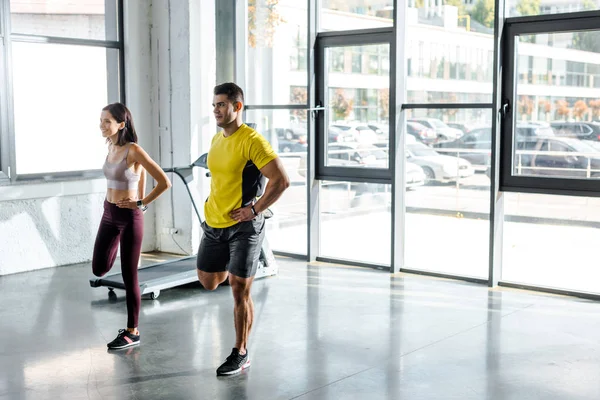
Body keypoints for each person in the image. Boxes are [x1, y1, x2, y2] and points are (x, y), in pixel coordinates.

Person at [197, 83, 290, 376]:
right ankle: (231, 266)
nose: (216, 110)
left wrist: (254, 209)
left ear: (238, 107)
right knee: (209, 282)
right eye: (214, 105)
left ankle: (241, 351)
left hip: (245, 227)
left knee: (239, 289)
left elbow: (281, 180)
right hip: (214, 224)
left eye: (222, 104)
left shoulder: (253, 141)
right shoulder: (216, 139)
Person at [92, 102, 172, 349]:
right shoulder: (110, 147)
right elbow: (138, 176)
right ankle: (118, 241)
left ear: (121, 124)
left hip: (129, 218)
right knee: (99, 269)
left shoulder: (133, 150)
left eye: (107, 121)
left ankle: (132, 331)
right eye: (101, 120)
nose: (102, 125)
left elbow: (164, 181)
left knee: (129, 276)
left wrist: (141, 203)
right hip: (109, 213)